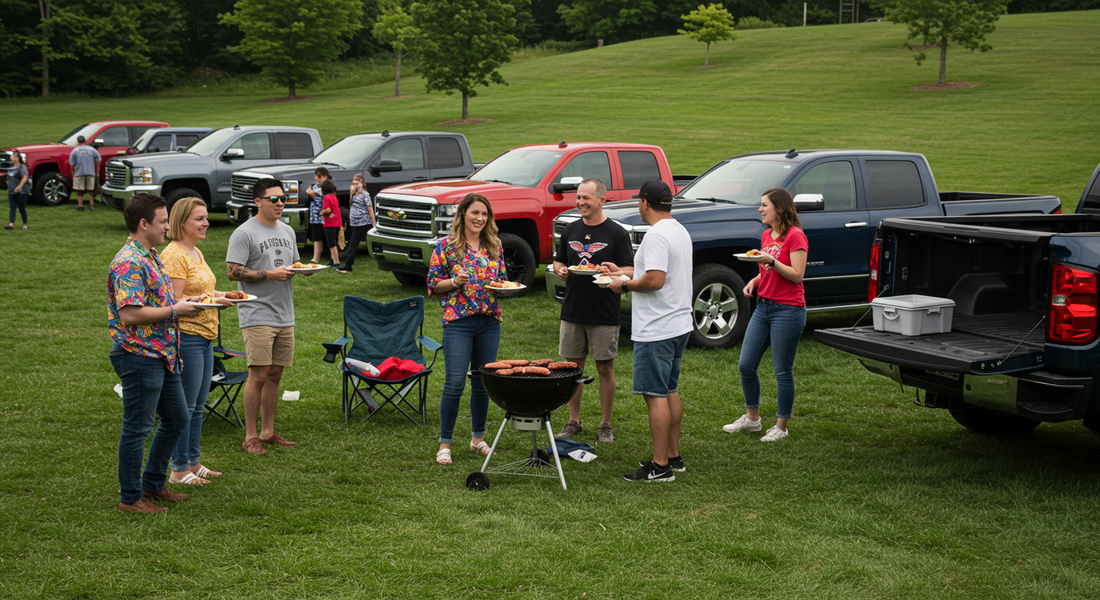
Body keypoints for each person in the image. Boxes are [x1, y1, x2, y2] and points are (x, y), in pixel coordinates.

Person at [109, 192, 203, 513]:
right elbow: (130, 314)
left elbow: (159, 301)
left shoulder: (150, 255)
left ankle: (152, 483)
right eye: (162, 221)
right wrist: (175, 310)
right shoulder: (129, 261)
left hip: (163, 353)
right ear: (143, 223)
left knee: (177, 418)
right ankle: (131, 498)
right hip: (138, 354)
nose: (167, 227)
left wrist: (184, 303)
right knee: (137, 428)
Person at [609, 180, 692, 482]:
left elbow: (655, 280)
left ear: (644, 203)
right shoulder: (678, 230)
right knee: (669, 390)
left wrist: (624, 285)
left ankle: (660, 467)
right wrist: (621, 272)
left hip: (657, 327)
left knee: (655, 395)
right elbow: (655, 272)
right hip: (678, 323)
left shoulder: (656, 235)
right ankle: (672, 456)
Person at [226, 178, 306, 454]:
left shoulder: (287, 230)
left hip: (284, 312)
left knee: (275, 374)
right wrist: (269, 274)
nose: (280, 203)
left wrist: (303, 269)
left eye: (283, 198)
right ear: (258, 201)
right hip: (257, 312)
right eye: (274, 199)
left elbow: (293, 264)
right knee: (258, 374)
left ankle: (268, 432)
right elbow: (233, 272)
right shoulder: (244, 233)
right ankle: (251, 437)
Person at [427, 193, 507, 466]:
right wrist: (454, 282)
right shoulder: (446, 247)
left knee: (482, 383)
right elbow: (433, 285)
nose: (480, 218)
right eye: (475, 212)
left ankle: (477, 439)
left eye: (484, 214)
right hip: (459, 322)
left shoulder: (494, 245)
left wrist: (504, 287)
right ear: (463, 213)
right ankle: (445, 444)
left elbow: (502, 281)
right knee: (455, 383)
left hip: (489, 321)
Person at [722, 188, 808, 442]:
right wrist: (756, 280)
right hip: (763, 307)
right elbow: (770, 270)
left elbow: (796, 275)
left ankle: (781, 427)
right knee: (746, 365)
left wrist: (770, 261)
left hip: (788, 310)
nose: (760, 209)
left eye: (764, 205)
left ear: (779, 208)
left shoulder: (795, 236)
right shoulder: (766, 235)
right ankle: (752, 420)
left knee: (782, 370)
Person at [552, 178, 634, 444]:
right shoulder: (572, 229)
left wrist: (615, 271)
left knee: (605, 369)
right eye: (578, 197)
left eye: (586, 198)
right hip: (573, 309)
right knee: (571, 369)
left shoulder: (616, 233)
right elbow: (559, 261)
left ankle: (605, 424)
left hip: (604, 311)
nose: (580, 202)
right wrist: (561, 271)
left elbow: (630, 270)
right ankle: (573, 420)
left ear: (601, 200)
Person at [161, 197, 231, 485]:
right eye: (199, 219)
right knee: (186, 407)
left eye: (205, 217)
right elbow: (175, 301)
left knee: (198, 405)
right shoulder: (174, 255)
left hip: (205, 336)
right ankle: (178, 470)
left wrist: (223, 296)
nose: (206, 223)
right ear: (182, 222)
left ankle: (193, 462)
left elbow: (202, 292)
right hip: (187, 335)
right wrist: (211, 301)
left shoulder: (195, 251)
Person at [337, 174, 375, 274]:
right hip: (354, 222)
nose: (355, 186)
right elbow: (351, 205)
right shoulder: (354, 194)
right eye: (353, 184)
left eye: (357, 184)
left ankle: (348, 267)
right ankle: (347, 266)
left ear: (362, 184)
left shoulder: (365, 194)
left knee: (353, 245)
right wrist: (351, 193)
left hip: (362, 222)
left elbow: (370, 208)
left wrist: (374, 224)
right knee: (353, 244)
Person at [69, 135, 100, 211]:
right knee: (91, 190)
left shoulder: (75, 151)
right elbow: (98, 159)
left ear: (78, 141)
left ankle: (80, 205)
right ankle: (92, 205)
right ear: (85, 141)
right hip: (90, 172)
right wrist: (96, 170)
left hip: (79, 173)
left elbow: (72, 164)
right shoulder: (92, 149)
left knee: (79, 191)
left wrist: (73, 173)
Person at [307, 167, 331, 264]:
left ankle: (334, 258)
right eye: (315, 176)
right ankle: (315, 258)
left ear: (325, 176)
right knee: (317, 238)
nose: (316, 178)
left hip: (326, 217)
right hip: (315, 218)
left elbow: (325, 203)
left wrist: (313, 195)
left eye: (319, 176)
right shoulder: (314, 186)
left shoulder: (329, 187)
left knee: (330, 238)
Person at [320, 179, 342, 269]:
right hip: (337, 222)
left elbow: (328, 210)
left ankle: (336, 262)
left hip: (329, 223)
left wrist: (322, 212)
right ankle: (332, 260)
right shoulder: (334, 197)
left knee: (331, 245)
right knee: (334, 242)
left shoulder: (326, 197)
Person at [6, 152, 29, 230]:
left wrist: (19, 187)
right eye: (11, 157)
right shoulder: (11, 167)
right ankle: (11, 224)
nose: (11, 158)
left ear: (18, 158)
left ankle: (25, 223)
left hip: (21, 192)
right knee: (12, 207)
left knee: (21, 208)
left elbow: (25, 177)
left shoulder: (22, 167)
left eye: (13, 157)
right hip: (11, 191)